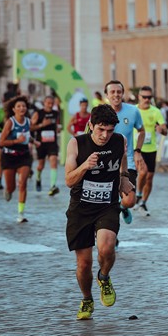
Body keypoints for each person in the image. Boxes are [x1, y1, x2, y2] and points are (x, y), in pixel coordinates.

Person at [65, 104, 135, 320]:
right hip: (81, 209)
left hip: (107, 205)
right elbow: (68, 180)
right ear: (90, 125)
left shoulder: (119, 140)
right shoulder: (77, 143)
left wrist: (124, 178)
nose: (105, 135)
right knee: (84, 263)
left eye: (110, 130)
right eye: (101, 130)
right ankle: (87, 298)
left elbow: (122, 160)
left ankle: (104, 277)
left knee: (106, 247)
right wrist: (85, 165)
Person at [104, 80, 146, 225]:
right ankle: (110, 235)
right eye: (112, 92)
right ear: (107, 95)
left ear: (123, 93)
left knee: (129, 200)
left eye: (119, 92)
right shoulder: (100, 113)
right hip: (105, 163)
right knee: (108, 202)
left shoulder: (133, 111)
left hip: (127, 162)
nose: (116, 95)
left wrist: (138, 151)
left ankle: (123, 208)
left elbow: (141, 131)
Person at [0, 96, 35, 223]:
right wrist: (15, 141)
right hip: (9, 156)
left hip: (24, 155)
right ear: (13, 109)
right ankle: (7, 190)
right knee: (11, 188)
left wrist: (34, 141)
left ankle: (21, 213)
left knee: (23, 183)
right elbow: (1, 141)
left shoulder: (28, 122)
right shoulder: (10, 122)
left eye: (24, 106)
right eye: (19, 106)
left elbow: (27, 137)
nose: (22, 108)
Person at [133, 86, 167, 216]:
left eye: (149, 97)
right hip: (137, 148)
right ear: (139, 97)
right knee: (143, 172)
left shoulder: (155, 111)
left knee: (149, 178)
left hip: (151, 148)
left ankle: (143, 202)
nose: (147, 100)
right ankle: (138, 195)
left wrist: (161, 130)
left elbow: (165, 130)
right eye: (144, 97)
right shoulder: (134, 110)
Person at [31, 95, 61, 196]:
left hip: (52, 142)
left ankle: (53, 185)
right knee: (41, 165)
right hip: (41, 143)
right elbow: (30, 127)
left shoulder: (56, 113)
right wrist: (41, 125)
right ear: (44, 103)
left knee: (53, 162)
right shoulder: (38, 113)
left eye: (52, 103)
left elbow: (58, 125)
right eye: (48, 103)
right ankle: (38, 178)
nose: (50, 105)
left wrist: (58, 128)